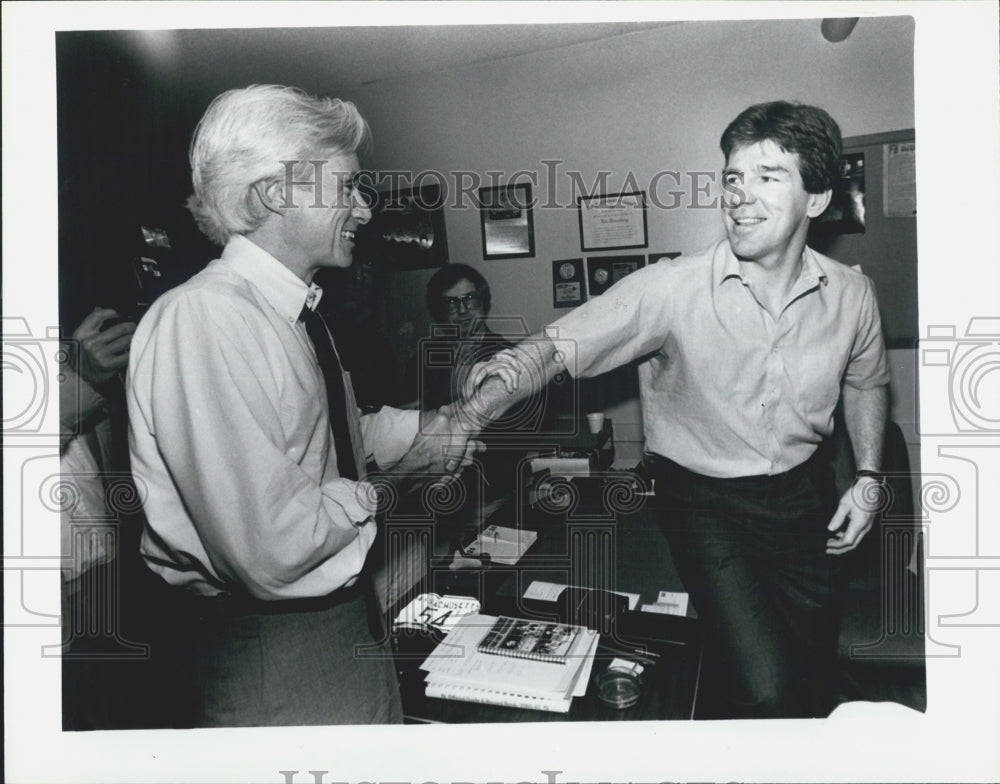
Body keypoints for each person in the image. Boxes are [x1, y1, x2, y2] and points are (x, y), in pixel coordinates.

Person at [462, 101, 889, 719]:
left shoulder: (852, 293)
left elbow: (868, 383)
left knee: (812, 672)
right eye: (732, 178)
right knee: (765, 685)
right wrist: (468, 410)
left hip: (805, 495)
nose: (739, 196)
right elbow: (558, 346)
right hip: (704, 501)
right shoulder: (671, 287)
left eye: (768, 177)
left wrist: (869, 476)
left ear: (816, 200)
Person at [126, 84, 475, 727]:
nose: (365, 211)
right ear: (273, 195)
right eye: (347, 188)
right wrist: (405, 476)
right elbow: (273, 546)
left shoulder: (290, 312)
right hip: (275, 644)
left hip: (336, 616)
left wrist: (427, 426)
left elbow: (329, 440)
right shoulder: (205, 320)